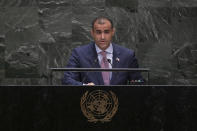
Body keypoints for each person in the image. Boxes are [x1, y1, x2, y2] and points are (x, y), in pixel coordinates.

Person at [62, 16, 143, 85]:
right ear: (92, 33)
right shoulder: (79, 54)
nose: (102, 37)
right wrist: (84, 86)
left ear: (112, 32)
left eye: (106, 32)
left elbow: (138, 82)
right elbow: (67, 79)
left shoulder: (127, 55)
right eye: (98, 32)